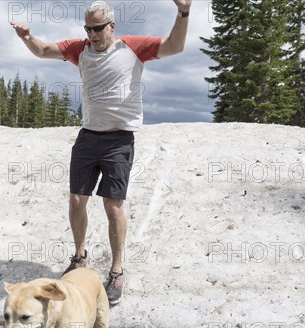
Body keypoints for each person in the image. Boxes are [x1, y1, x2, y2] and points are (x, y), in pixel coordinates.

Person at [11, 0, 192, 305]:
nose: (92, 34)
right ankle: (80, 256)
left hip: (119, 140)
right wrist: (27, 37)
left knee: (113, 206)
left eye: (97, 28)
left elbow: (175, 46)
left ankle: (117, 271)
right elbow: (43, 50)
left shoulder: (132, 47)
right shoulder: (79, 49)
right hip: (88, 137)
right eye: (88, 28)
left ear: (111, 26)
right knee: (76, 200)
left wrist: (183, 12)